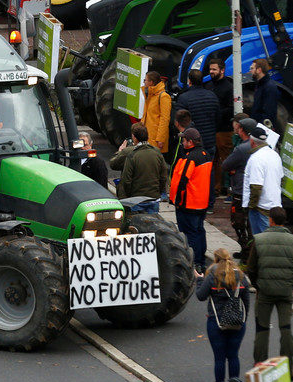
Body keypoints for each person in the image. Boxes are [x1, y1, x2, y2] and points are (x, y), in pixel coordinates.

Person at [246, 207, 293, 375]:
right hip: (285, 292)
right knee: (286, 329)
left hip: (264, 291)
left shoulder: (259, 240)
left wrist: (258, 286)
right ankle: (288, 368)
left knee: (262, 328)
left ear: (271, 220)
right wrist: (290, 285)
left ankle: (260, 364)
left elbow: (251, 268)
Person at [197, 247, 251, 382]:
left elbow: (201, 296)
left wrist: (199, 281)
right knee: (233, 356)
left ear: (215, 259)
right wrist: (243, 319)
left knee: (219, 358)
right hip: (238, 322)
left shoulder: (212, 276)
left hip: (216, 321)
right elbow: (246, 302)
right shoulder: (241, 276)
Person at [170, 126, 213, 273]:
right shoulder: (206, 155)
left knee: (189, 234)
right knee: (200, 231)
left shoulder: (190, 158)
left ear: (190, 142)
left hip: (189, 203)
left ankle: (194, 263)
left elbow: (182, 181)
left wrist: (177, 201)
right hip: (202, 202)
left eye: (184, 140)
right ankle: (200, 261)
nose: (182, 142)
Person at [108, 123, 168, 210]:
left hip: (135, 199)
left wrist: (120, 151)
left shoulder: (129, 152)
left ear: (134, 137)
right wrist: (159, 191)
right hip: (153, 198)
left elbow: (117, 168)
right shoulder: (157, 152)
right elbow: (163, 176)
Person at [222, 115, 256, 255]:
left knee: (238, 222)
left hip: (240, 190)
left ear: (243, 130)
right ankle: (250, 250)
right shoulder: (260, 146)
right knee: (251, 223)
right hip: (253, 189)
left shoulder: (241, 149)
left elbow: (225, 165)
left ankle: (246, 251)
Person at [242, 123, 283, 235]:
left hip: (261, 208)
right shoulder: (275, 155)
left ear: (252, 141)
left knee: (261, 241)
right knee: (273, 239)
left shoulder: (256, 159)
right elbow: (281, 178)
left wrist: (251, 207)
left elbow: (256, 186)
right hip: (275, 205)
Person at [173, 69, 220, 161]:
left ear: (189, 81)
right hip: (210, 141)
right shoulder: (212, 96)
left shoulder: (184, 98)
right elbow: (218, 119)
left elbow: (181, 122)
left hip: (192, 143)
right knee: (208, 170)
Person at [205, 59, 235, 164]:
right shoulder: (208, 86)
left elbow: (231, 109)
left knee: (225, 160)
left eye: (214, 69)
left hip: (224, 131)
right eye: (210, 69)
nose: (211, 72)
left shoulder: (229, 87)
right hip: (210, 131)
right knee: (213, 162)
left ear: (222, 70)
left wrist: (215, 113)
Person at [142, 70, 172, 155]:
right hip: (147, 136)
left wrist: (160, 139)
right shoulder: (150, 95)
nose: (144, 82)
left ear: (151, 82)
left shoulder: (163, 96)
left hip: (155, 139)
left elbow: (165, 119)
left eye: (145, 80)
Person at [248, 58, 279, 127]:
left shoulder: (269, 87)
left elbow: (269, 111)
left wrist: (261, 126)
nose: (250, 71)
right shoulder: (260, 85)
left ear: (259, 70)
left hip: (263, 127)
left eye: (252, 68)